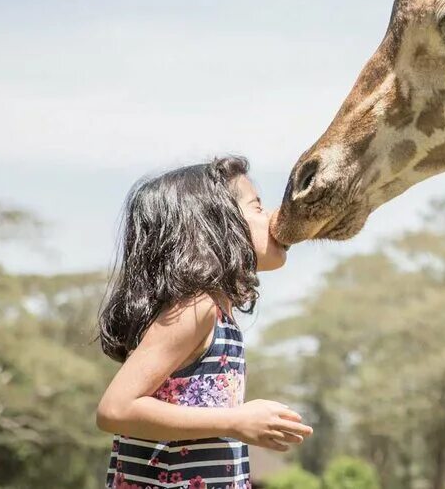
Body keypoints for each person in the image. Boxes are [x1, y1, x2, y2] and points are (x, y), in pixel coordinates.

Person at [95, 156, 311, 489]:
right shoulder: (195, 309)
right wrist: (235, 420)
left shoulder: (220, 315)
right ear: (216, 225)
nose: (270, 217)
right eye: (256, 207)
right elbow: (116, 409)